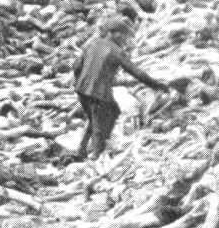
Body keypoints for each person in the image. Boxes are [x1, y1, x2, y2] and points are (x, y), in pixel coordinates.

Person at [72, 16, 178, 160]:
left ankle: (82, 148)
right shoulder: (116, 51)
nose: (124, 39)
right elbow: (136, 72)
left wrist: (80, 81)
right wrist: (156, 84)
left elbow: (76, 66)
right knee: (101, 119)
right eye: (123, 35)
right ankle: (96, 155)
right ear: (112, 33)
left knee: (100, 115)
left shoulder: (92, 44)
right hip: (97, 91)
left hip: (82, 89)